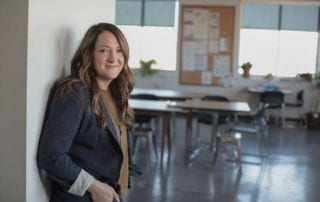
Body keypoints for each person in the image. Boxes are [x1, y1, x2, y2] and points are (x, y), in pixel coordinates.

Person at [37, 22, 140, 202]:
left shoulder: (116, 93)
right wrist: (95, 187)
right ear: (89, 54)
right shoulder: (75, 92)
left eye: (119, 50)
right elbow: (51, 156)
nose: (113, 58)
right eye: (104, 50)